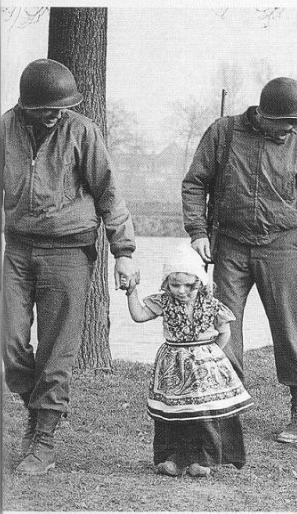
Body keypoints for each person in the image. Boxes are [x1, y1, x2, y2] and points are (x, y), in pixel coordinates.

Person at [182, 77, 297, 444]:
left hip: (282, 246)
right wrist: (198, 232)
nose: (295, 128)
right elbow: (195, 183)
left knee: (288, 328)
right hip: (230, 246)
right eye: (289, 121)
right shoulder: (223, 133)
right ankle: (228, 407)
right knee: (224, 327)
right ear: (266, 115)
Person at [1, 59, 139, 475]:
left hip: (69, 251)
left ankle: (43, 437)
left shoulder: (82, 132)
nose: (57, 113)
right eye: (49, 108)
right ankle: (38, 409)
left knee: (56, 348)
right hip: (19, 249)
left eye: (64, 106)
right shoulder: (5, 129)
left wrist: (124, 252)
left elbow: (109, 193)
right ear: (28, 105)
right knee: (10, 342)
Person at [125, 245, 253, 476]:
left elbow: (224, 332)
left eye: (189, 286)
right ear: (167, 283)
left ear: (199, 283)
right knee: (172, 414)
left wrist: (212, 355)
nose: (182, 291)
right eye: (175, 285)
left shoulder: (212, 305)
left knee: (205, 412)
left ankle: (204, 460)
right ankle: (173, 458)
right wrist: (131, 291)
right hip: (173, 365)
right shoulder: (164, 302)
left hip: (203, 365)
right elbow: (139, 315)